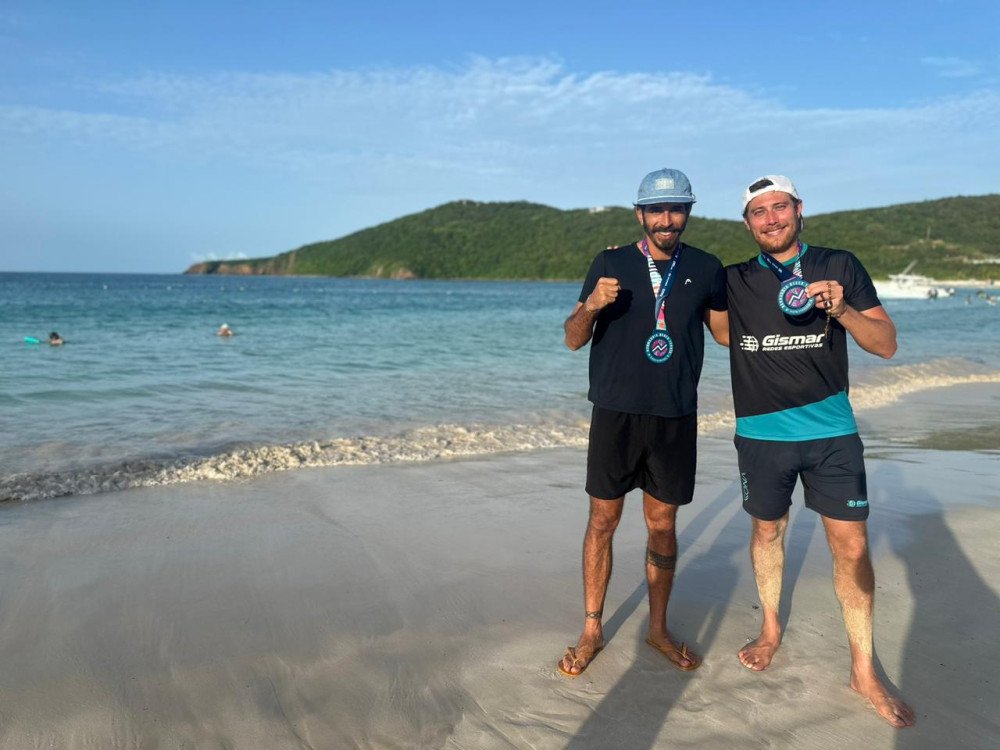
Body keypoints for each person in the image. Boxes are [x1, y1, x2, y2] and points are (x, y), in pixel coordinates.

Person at [725, 175, 915, 727]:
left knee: (852, 548)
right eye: (759, 212)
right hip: (760, 435)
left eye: (779, 207)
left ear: (799, 209)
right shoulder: (733, 280)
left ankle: (863, 667)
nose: (771, 219)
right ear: (748, 223)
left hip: (831, 431)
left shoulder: (841, 264)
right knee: (766, 532)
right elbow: (716, 329)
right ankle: (770, 630)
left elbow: (885, 345)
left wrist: (842, 311)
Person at [558, 168, 727, 677]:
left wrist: (797, 318)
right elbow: (571, 338)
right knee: (603, 521)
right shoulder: (609, 262)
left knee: (662, 524)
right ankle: (592, 628)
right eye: (658, 210)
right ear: (641, 214)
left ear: (688, 213)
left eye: (677, 209)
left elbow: (725, 334)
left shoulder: (706, 266)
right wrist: (591, 304)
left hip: (675, 416)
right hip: (615, 414)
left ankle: (657, 628)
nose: (667, 219)